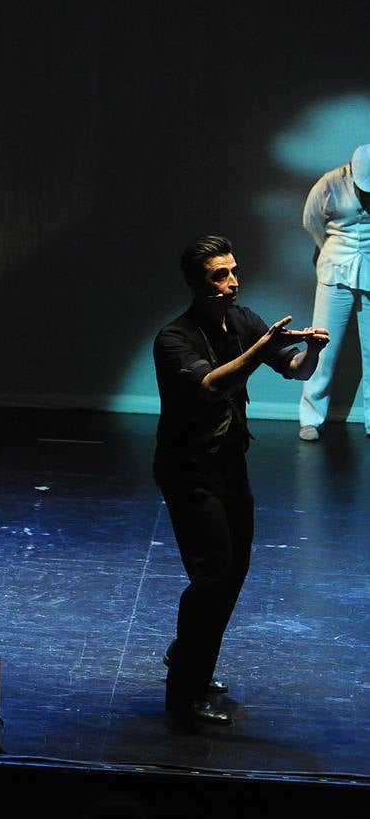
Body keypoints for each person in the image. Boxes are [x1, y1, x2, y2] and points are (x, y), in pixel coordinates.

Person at [153, 235, 327, 726]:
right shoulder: (174, 338)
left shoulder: (245, 320)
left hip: (230, 464)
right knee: (211, 578)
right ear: (195, 282)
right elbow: (211, 387)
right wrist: (264, 346)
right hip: (189, 472)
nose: (232, 283)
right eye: (218, 275)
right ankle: (184, 691)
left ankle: (189, 657)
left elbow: (292, 370)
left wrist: (309, 352)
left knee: (234, 573)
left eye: (233, 271)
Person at [297, 144, 369, 441]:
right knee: (322, 346)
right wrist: (330, 250)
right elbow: (312, 221)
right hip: (336, 267)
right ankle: (311, 417)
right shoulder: (329, 184)